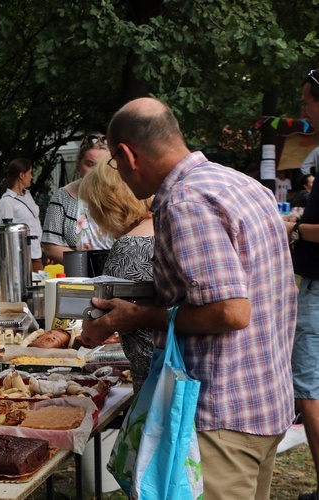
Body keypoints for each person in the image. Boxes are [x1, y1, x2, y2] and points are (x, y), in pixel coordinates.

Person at [82, 97, 296, 499]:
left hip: (221, 412)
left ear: (128, 155)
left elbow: (231, 312)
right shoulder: (243, 185)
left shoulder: (184, 202)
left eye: (113, 162)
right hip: (267, 401)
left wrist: (139, 316)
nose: (119, 173)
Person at [77, 153, 154, 394]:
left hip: (155, 381)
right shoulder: (171, 226)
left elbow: (96, 328)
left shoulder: (130, 246)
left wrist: (86, 328)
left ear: (108, 205)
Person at [286, 68, 319, 500]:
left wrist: (294, 225)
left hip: (316, 286)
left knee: (308, 390)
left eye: (308, 100)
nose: (304, 109)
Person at [41, 134, 114, 263]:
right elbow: (51, 246)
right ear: (79, 164)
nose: (96, 171)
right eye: (90, 164)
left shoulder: (126, 195)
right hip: (79, 276)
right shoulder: (63, 197)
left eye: (101, 165)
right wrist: (88, 264)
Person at [0, 158, 43, 271]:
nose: (32, 177)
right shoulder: (6, 202)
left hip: (36, 253)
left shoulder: (28, 195)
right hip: (19, 257)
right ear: (22, 175)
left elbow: (34, 222)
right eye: (30, 173)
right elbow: (5, 234)